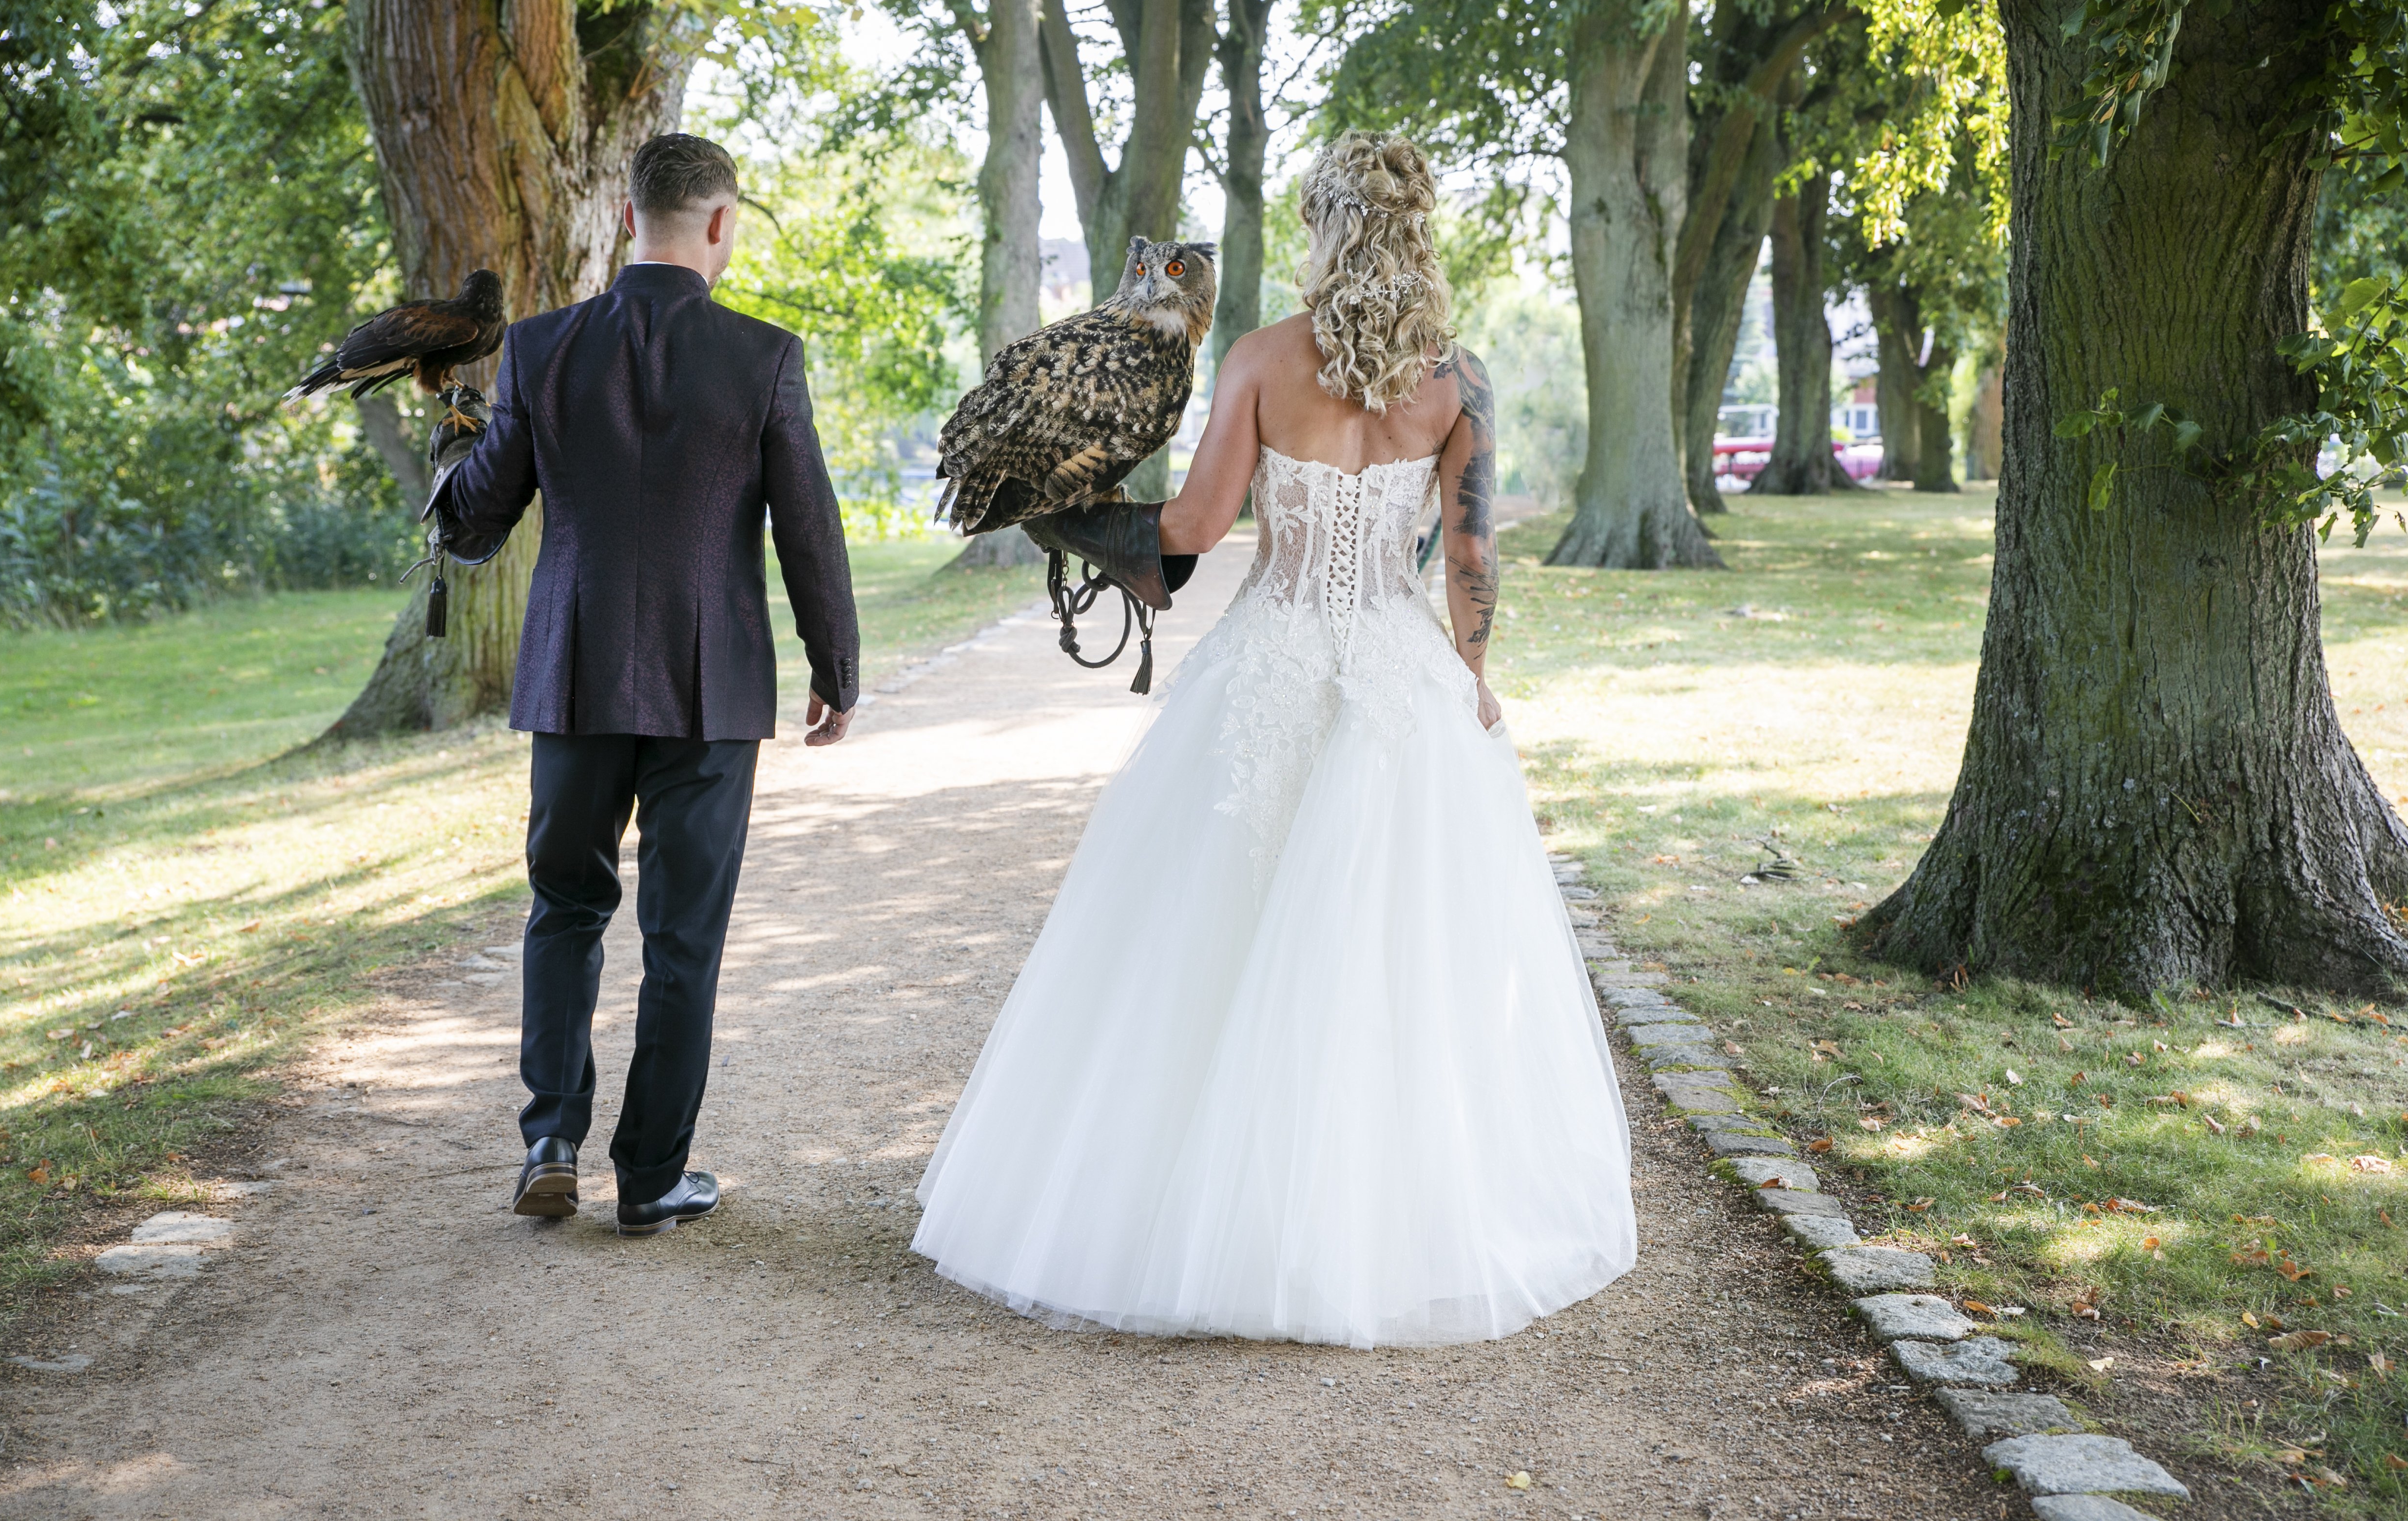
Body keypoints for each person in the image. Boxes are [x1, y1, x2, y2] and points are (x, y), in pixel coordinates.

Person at [909, 133, 1636, 1346]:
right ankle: (1379, 1223)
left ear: (1325, 232)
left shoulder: (1257, 359)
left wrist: (1065, 517)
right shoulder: (1459, 380)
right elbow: (1469, 552)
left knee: (1207, 929)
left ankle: (1187, 1220)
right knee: (1395, 952)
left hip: (1269, 661)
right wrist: (1472, 676)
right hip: (1398, 671)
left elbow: (1194, 529)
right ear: (1417, 236)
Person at [431, 132, 861, 1237]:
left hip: (574, 677)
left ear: (629, 218)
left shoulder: (537, 348)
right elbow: (809, 530)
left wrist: (456, 446)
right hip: (710, 692)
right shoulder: (765, 357)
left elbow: (474, 522)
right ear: (720, 223)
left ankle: (550, 1140)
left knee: (564, 908)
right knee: (682, 937)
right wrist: (836, 668)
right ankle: (650, 1177)